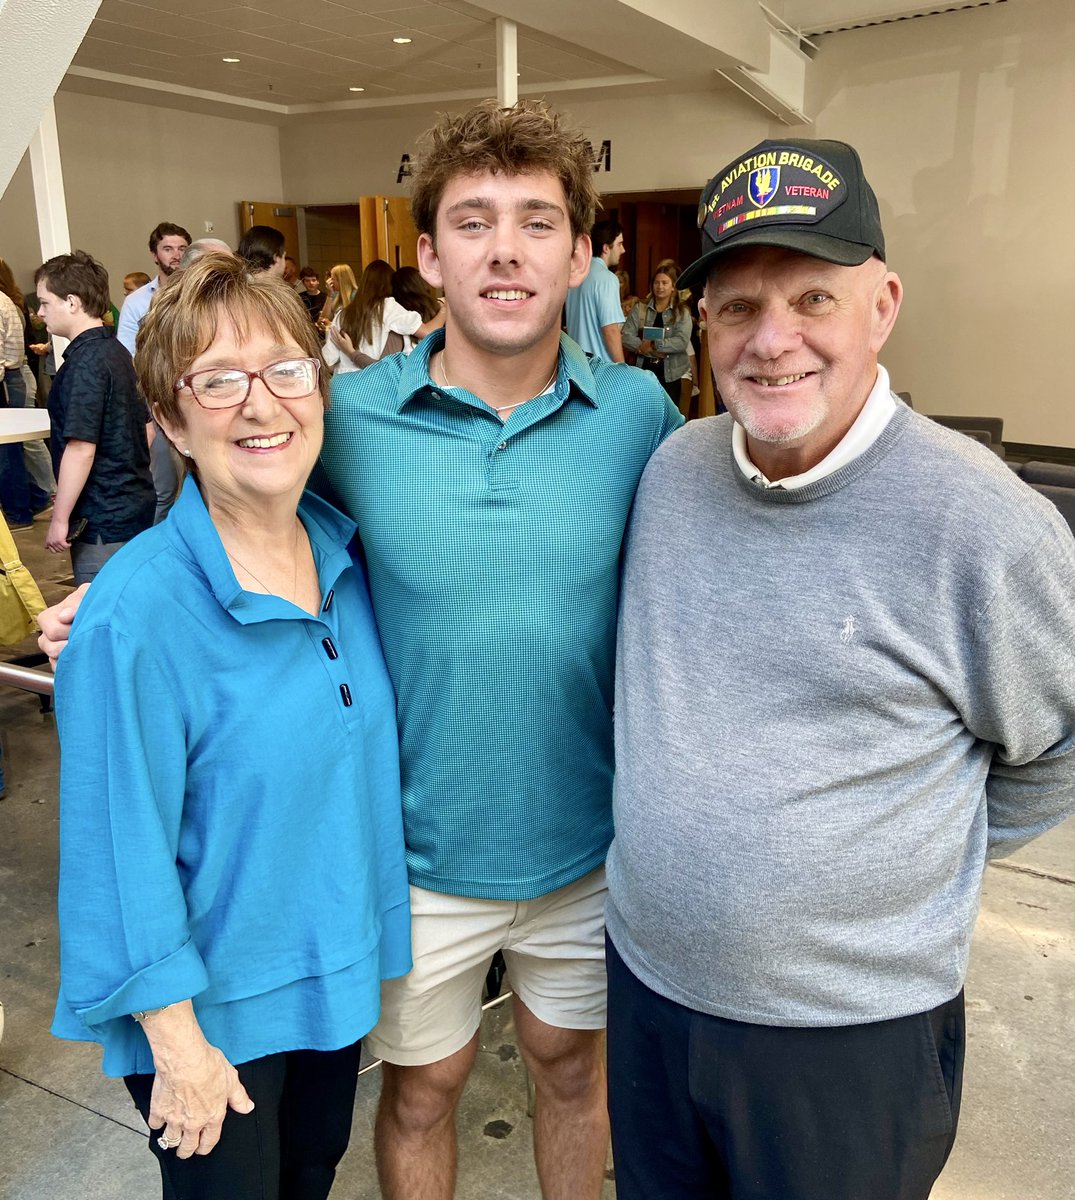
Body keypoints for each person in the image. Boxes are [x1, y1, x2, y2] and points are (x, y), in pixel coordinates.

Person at [38, 99, 682, 1200]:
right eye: (472, 222)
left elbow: (698, 580)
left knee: (575, 1076)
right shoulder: (360, 420)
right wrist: (118, 593)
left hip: (587, 843)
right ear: (427, 254)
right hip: (413, 855)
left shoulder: (637, 417)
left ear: (581, 252)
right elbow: (239, 484)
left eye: (537, 222)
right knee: (421, 1091)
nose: (506, 251)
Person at [604, 137, 1075, 1200]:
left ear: (883, 305)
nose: (771, 343)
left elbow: (1057, 746)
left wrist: (905, 858)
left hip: (848, 1038)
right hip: (649, 994)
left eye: (812, 298)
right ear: (702, 327)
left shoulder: (983, 523)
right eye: (737, 308)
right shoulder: (671, 475)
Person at [51, 253, 411, 1200]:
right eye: (218, 381)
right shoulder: (138, 612)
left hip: (327, 982)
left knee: (311, 1179)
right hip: (207, 1019)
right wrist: (176, 1043)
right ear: (169, 419)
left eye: (285, 370)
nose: (261, 405)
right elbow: (113, 852)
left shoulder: (346, 555)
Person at [35, 251, 155, 583]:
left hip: (102, 522)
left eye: (45, 303)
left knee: (103, 616)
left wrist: (60, 519)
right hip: (134, 505)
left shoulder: (84, 364)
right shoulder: (117, 352)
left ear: (72, 302)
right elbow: (147, 429)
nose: (40, 312)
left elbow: (81, 448)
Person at [117, 221, 191, 523]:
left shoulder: (200, 296)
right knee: (163, 488)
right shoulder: (137, 302)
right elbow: (127, 358)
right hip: (156, 403)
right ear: (154, 255)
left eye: (182, 248)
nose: (175, 255)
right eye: (168, 248)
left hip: (197, 399)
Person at [321, 259, 438, 374]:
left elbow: (328, 362)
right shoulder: (389, 307)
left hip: (343, 386)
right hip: (376, 386)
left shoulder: (341, 315)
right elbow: (427, 332)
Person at [620, 262, 693, 406]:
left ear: (673, 286)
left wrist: (654, 345)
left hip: (671, 375)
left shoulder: (682, 312)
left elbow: (681, 341)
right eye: (657, 283)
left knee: (669, 418)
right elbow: (625, 336)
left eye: (665, 283)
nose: (660, 287)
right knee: (643, 414)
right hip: (643, 372)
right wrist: (644, 348)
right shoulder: (639, 308)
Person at [563, 218, 625, 362]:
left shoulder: (575, 275)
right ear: (606, 248)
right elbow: (610, 330)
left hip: (577, 364)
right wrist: (622, 367)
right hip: (601, 368)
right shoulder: (608, 279)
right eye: (620, 244)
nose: (623, 250)